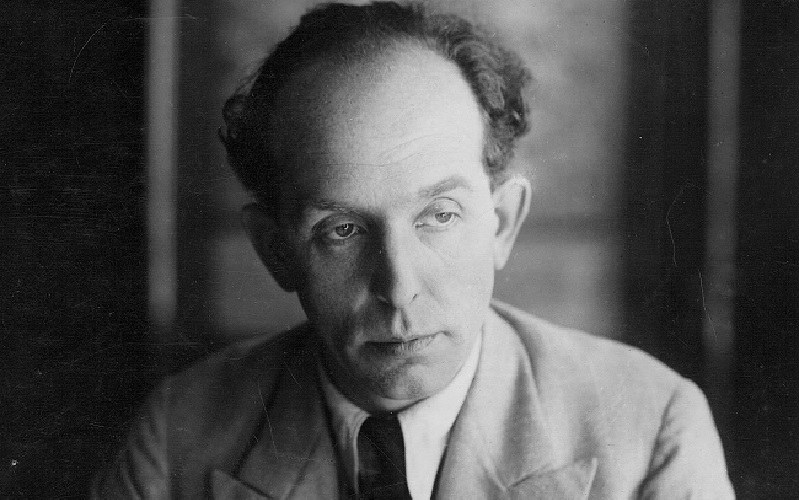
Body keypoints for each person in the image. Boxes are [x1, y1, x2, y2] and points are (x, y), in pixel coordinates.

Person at [93, 2, 734, 498]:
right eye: (343, 229)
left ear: (502, 224)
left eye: (439, 216)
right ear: (274, 251)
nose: (398, 289)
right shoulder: (175, 440)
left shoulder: (651, 427)